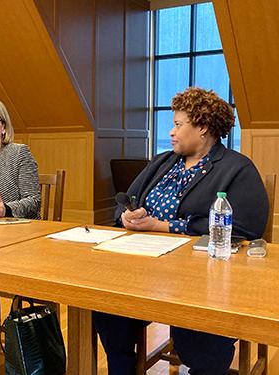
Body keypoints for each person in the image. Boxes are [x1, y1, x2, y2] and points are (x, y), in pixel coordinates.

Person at [94, 87, 269, 374]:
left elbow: (245, 228)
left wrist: (164, 226)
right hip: (144, 268)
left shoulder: (236, 168)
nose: (171, 132)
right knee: (106, 308)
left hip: (201, 279)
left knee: (201, 341)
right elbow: (126, 200)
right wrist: (127, 216)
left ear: (202, 127)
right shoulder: (163, 161)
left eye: (178, 125)